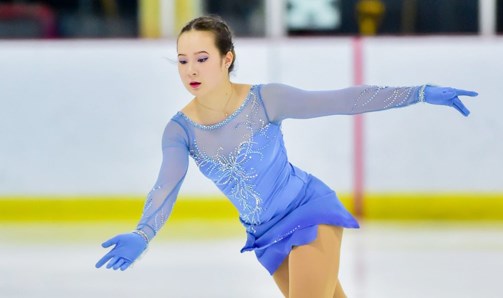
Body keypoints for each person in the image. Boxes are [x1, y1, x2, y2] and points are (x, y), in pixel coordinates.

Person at [95, 15, 477, 297]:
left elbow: (343, 99)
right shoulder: (179, 130)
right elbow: (166, 185)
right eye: (182, 60)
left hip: (308, 211)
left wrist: (420, 92)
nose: (190, 70)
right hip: (266, 235)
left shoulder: (264, 100)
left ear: (227, 59)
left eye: (201, 58)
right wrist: (142, 233)